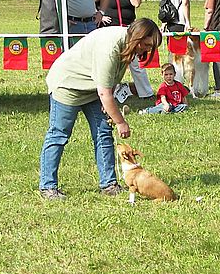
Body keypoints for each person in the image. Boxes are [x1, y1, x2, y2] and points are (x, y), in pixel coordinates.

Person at [39, 18, 162, 200]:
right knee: (59, 134)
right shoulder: (110, 48)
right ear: (137, 37)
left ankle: (109, 184)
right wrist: (120, 122)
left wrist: (108, 104)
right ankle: (48, 187)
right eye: (146, 45)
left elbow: (111, 79)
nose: (146, 50)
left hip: (93, 88)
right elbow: (105, 93)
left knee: (103, 132)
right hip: (68, 84)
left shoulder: (128, 45)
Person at [99, 0, 154, 99]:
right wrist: (99, 15)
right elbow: (90, 1)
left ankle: (146, 93)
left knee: (135, 62)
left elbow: (137, 3)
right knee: (112, 62)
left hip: (130, 30)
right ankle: (108, 92)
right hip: (111, 31)